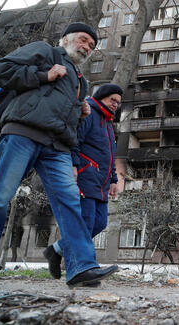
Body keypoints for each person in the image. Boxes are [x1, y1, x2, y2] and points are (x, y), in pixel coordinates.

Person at [0, 23, 118, 288]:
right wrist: (42, 75)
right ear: (66, 39)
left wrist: (78, 119)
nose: (86, 48)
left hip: (58, 146)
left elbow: (69, 124)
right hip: (24, 132)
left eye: (91, 46)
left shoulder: (82, 82)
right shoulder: (44, 52)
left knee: (71, 204)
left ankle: (81, 267)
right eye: (83, 40)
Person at [44, 84, 122, 280]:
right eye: (113, 100)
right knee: (85, 223)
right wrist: (74, 165)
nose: (116, 105)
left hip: (101, 183)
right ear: (102, 97)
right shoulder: (88, 113)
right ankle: (83, 269)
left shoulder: (108, 123)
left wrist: (113, 179)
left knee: (100, 223)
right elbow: (75, 141)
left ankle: (56, 250)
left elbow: (110, 156)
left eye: (119, 103)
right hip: (85, 176)